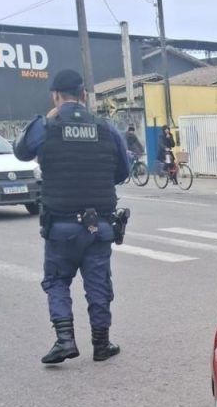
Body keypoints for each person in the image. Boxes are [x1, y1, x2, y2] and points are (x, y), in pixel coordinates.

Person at [14, 68, 130, 364]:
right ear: (83, 95)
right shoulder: (106, 127)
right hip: (100, 225)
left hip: (61, 226)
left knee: (56, 281)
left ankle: (65, 340)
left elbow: (21, 151)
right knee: (98, 285)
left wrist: (49, 117)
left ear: (55, 96)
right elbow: (123, 171)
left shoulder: (46, 127)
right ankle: (101, 344)